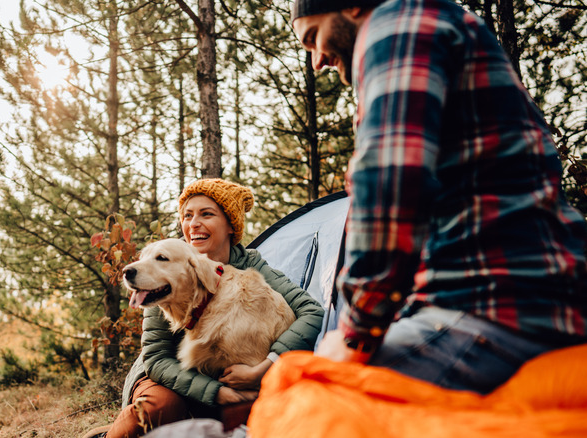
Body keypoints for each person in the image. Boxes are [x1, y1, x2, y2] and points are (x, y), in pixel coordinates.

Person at [290, 0, 587, 394]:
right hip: (526, 299)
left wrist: (354, 335)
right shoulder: (436, 25)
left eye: (313, 38)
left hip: (492, 309)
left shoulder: (396, 25)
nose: (317, 61)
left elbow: (390, 181)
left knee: (312, 389)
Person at [89, 178, 324, 438]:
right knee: (163, 406)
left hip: (233, 374)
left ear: (230, 226)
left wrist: (263, 369)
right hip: (169, 375)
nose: (193, 224)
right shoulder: (165, 265)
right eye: (187, 215)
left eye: (206, 214)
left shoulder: (252, 266)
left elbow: (312, 312)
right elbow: (156, 358)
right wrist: (215, 393)